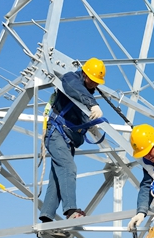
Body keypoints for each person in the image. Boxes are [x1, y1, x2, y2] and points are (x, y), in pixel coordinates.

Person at [39, 58, 106, 224]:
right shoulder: (71, 79)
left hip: (68, 140)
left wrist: (91, 124)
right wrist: (92, 104)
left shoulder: (86, 94)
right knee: (68, 168)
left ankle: (46, 217)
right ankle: (70, 211)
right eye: (93, 80)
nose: (94, 84)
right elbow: (72, 86)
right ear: (85, 74)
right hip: (57, 133)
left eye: (97, 82)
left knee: (58, 176)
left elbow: (80, 113)